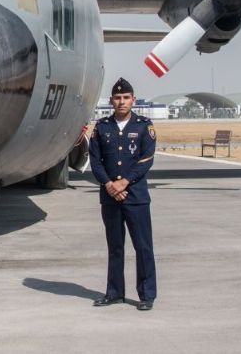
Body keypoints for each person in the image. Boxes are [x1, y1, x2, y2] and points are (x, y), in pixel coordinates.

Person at [89, 77, 157, 311]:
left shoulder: (143, 126)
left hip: (136, 197)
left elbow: (146, 159)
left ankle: (147, 295)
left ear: (133, 100)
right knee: (115, 247)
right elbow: (96, 161)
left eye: (126, 97)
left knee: (143, 246)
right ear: (111, 101)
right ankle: (115, 292)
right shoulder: (102, 127)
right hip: (110, 198)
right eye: (117, 98)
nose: (121, 101)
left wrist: (125, 183)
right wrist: (109, 185)